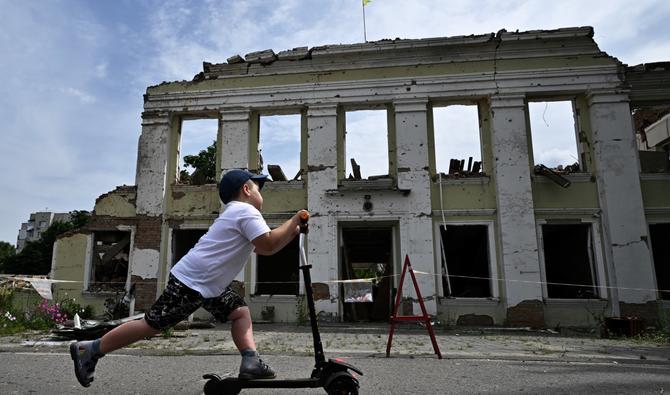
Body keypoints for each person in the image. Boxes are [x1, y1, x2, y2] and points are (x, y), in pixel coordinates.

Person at [70, 169, 308, 388]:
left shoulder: (236, 213)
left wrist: (291, 232)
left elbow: (264, 248)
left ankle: (251, 361)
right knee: (151, 326)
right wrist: (295, 219)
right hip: (193, 282)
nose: (260, 194)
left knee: (239, 312)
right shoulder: (246, 211)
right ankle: (89, 349)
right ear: (247, 189)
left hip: (209, 285)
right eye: (258, 188)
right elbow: (268, 243)